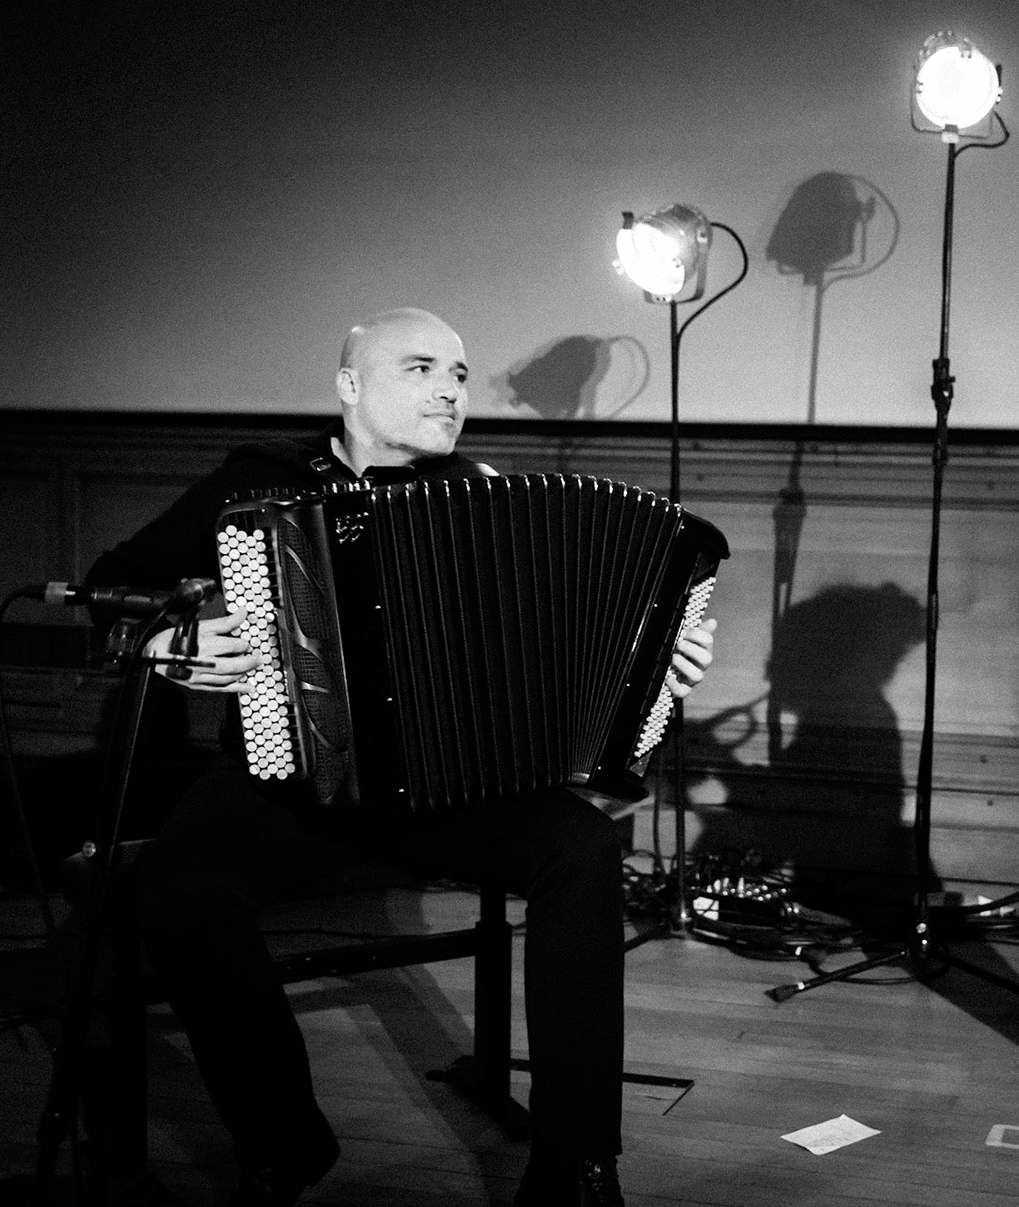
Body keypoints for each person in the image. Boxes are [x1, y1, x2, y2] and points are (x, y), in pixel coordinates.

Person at [88, 308, 719, 1207]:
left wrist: (658, 662)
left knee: (579, 852)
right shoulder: (256, 485)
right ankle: (284, 1140)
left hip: (451, 793)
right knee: (176, 890)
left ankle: (576, 1164)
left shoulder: (488, 495)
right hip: (290, 781)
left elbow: (567, 640)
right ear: (350, 386)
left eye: (460, 374)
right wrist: (164, 642)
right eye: (422, 368)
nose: (450, 391)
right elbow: (114, 587)